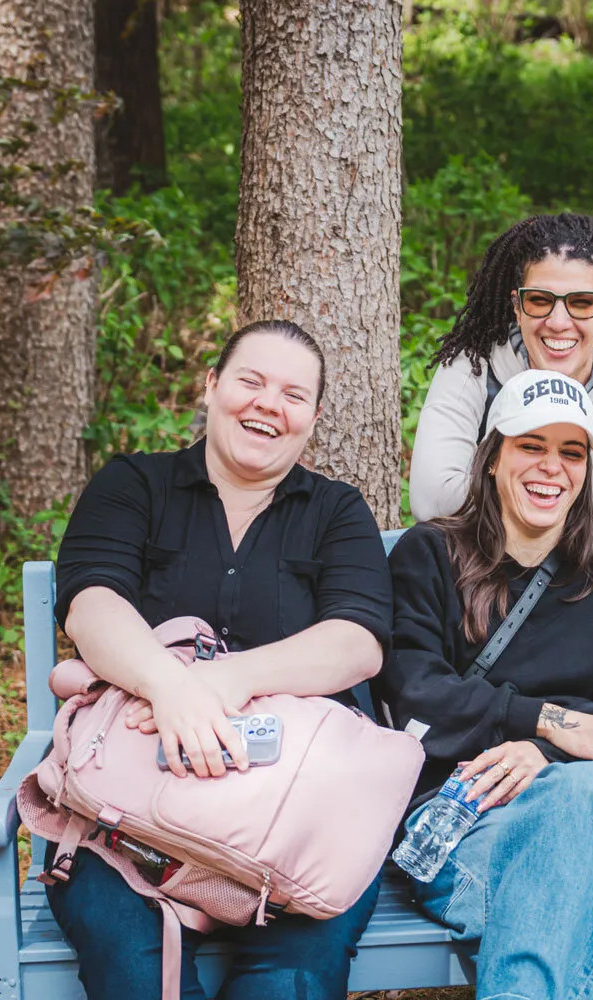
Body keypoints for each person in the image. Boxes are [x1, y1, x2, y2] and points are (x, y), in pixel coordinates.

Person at [46, 320, 393, 1000]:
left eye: (294, 394)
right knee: (133, 970)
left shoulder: (336, 512)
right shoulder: (134, 485)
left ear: (315, 417)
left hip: (296, 811)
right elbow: (91, 603)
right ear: (211, 386)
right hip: (131, 808)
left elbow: (358, 641)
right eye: (251, 381)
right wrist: (168, 689)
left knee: (292, 981)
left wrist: (217, 682)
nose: (269, 405)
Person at [380, 369, 593, 1000]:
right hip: (464, 814)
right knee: (561, 884)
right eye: (531, 445)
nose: (551, 467)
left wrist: (542, 756)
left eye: (572, 452)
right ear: (492, 457)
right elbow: (415, 692)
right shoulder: (430, 557)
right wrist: (545, 720)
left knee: (577, 799)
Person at [409, 212, 593, 525]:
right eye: (539, 300)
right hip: (487, 560)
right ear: (517, 307)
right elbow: (432, 503)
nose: (558, 322)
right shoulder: (473, 368)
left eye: (581, 302)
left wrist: (531, 518)